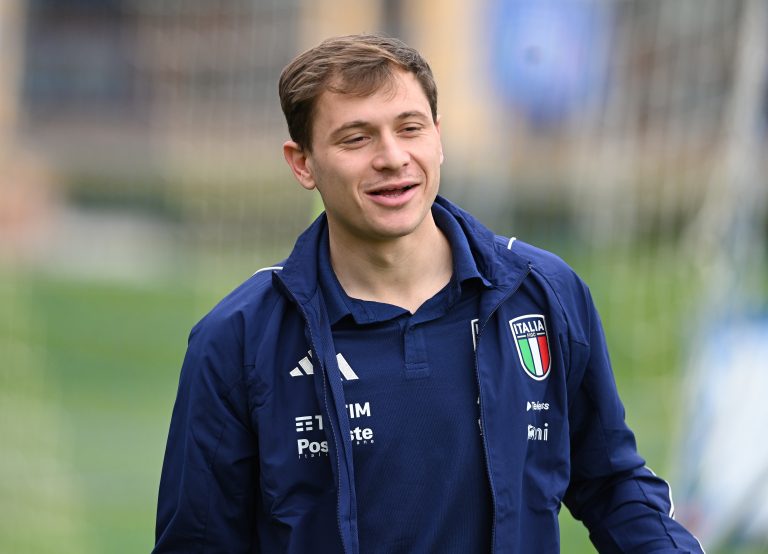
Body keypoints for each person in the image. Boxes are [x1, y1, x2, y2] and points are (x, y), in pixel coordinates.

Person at [153, 34, 704, 553]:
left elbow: (611, 482)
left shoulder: (543, 294)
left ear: (438, 138)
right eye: (356, 137)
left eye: (410, 128)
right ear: (303, 164)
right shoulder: (238, 338)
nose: (392, 157)